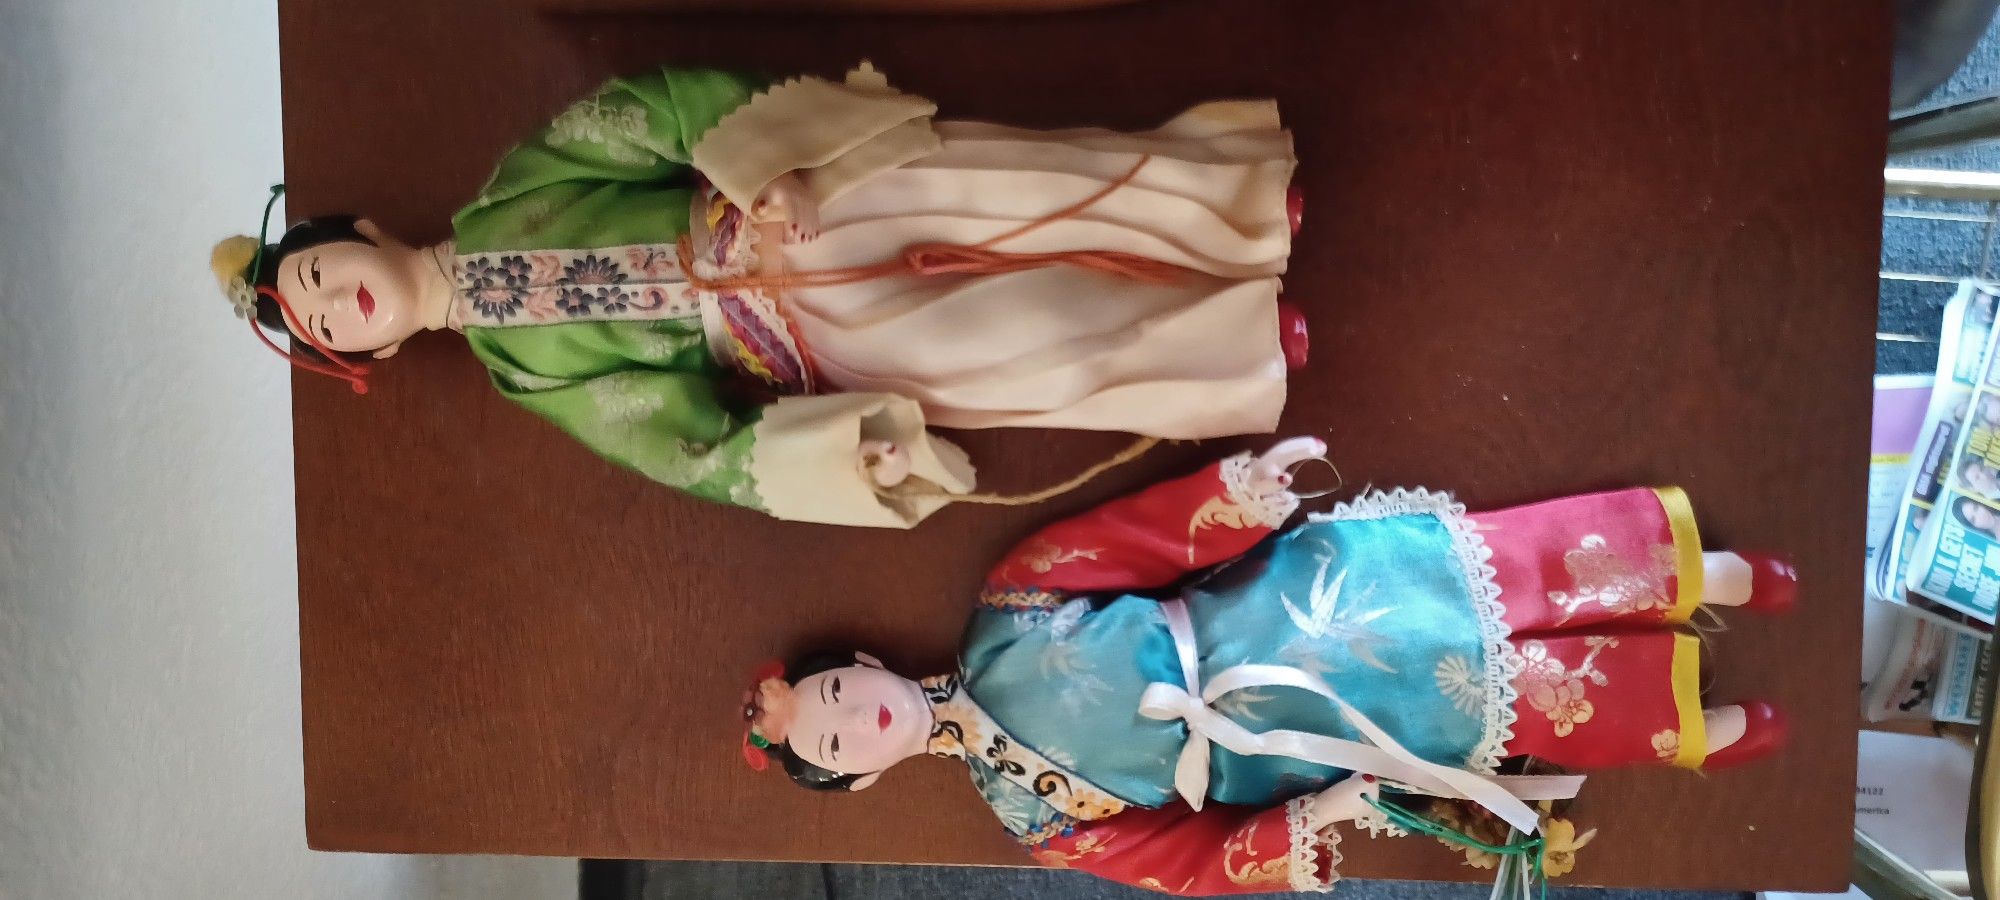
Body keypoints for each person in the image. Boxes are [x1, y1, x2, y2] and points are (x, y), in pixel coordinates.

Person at [210, 63, 1303, 528]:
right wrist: (837, 458)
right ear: (375, 358)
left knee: (1008, 184)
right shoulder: (526, 372)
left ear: (363, 233)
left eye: (318, 274)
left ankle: (1235, 203)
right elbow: (677, 446)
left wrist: (757, 169)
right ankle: (1233, 340)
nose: (334, 301)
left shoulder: (512, 193)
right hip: (799, 341)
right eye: (322, 324)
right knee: (1024, 340)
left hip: (790, 212)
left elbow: (643, 113)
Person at [740, 437, 1796, 894]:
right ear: (861, 780)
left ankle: (1691, 570)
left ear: (863, 661)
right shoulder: (1033, 821)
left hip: (1272, 608)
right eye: (836, 743)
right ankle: (1688, 717)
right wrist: (1303, 827)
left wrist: (1231, 498)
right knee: (1504, 710)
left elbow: (1124, 544)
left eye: (835, 693)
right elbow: (1177, 862)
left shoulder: (1008, 609)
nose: (855, 718)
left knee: (1475, 571)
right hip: (1298, 744)